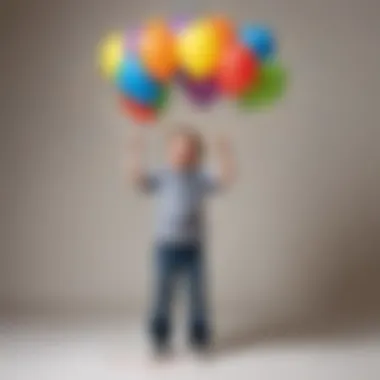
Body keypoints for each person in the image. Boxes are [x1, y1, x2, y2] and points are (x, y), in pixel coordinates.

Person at [128, 126, 236, 353]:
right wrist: (135, 152)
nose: (182, 154)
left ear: (197, 155)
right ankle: (159, 336)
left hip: (194, 247)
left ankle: (199, 337)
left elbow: (225, 180)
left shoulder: (200, 177)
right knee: (162, 293)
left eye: (189, 150)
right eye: (177, 149)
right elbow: (137, 180)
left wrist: (224, 153)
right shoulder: (163, 175)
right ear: (168, 152)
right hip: (166, 246)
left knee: (197, 295)